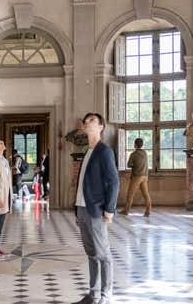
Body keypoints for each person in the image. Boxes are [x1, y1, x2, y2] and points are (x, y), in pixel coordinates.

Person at [72, 113, 119, 304]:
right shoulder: (88, 151)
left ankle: (106, 295)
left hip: (97, 210)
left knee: (103, 254)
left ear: (100, 127)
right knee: (91, 254)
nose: (87, 122)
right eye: (86, 120)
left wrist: (109, 210)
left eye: (92, 120)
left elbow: (114, 182)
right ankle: (93, 294)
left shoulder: (104, 151)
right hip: (82, 209)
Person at [119, 138, 151, 217]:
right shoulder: (145, 153)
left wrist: (134, 165)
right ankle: (148, 210)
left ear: (135, 144)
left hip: (137, 176)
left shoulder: (134, 154)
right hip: (145, 176)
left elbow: (128, 165)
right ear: (142, 144)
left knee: (130, 194)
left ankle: (126, 210)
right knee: (145, 194)